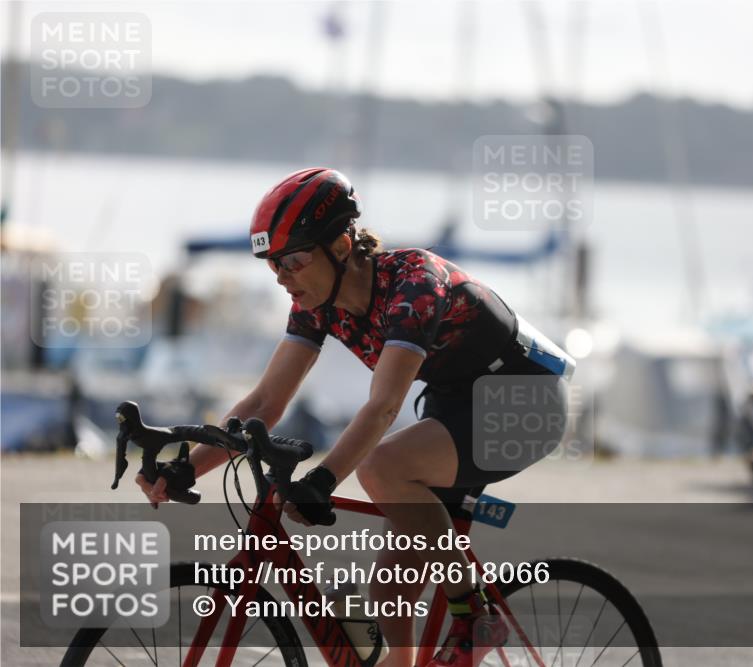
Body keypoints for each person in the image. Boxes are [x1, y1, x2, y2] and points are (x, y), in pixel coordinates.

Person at [136, 168, 574, 667]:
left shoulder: (413, 285)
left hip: (526, 402)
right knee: (388, 595)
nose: (282, 277)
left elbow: (383, 406)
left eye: (294, 261)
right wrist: (188, 468)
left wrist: (324, 479)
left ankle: (476, 616)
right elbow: (263, 404)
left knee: (382, 468)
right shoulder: (316, 303)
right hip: (454, 404)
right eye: (273, 264)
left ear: (342, 246)